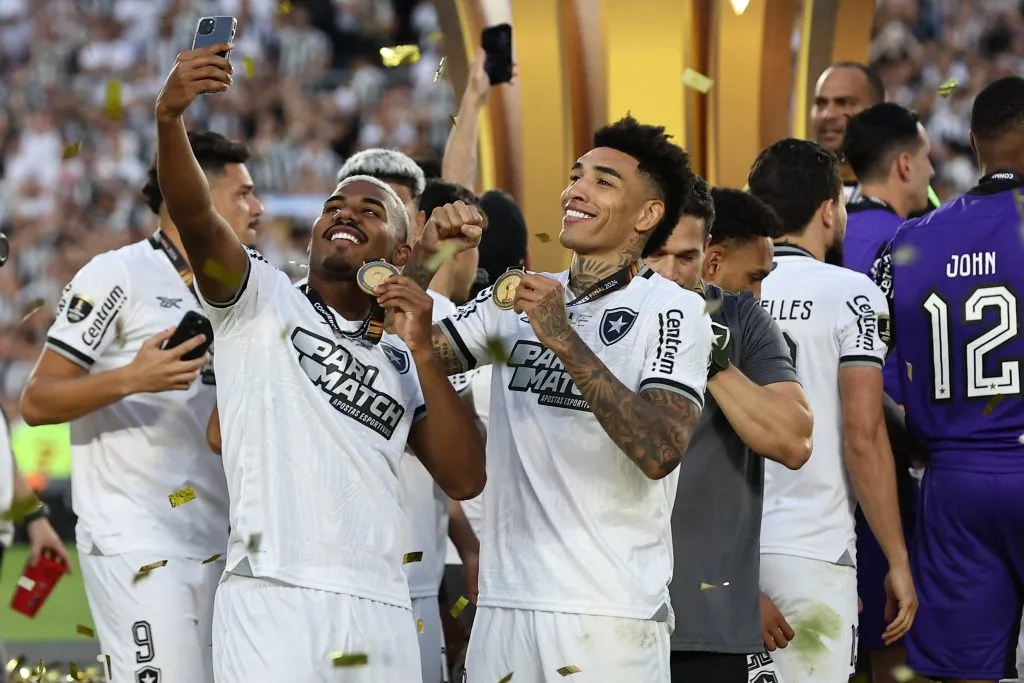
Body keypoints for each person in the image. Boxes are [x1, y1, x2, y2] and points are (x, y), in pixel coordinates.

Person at [153, 44, 486, 682]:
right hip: (272, 595)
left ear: (403, 244)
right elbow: (195, 215)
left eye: (370, 211)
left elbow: (465, 476)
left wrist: (419, 346)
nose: (346, 214)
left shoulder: (408, 345)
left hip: (380, 602)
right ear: (311, 236)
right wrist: (170, 120)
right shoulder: (259, 298)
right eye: (333, 208)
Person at [403, 115, 715, 682]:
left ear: (647, 215)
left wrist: (562, 336)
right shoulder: (513, 301)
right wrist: (427, 262)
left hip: (607, 618)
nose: (576, 190)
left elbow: (659, 449)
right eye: (576, 176)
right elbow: (397, 349)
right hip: (504, 607)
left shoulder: (674, 311)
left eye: (603, 181)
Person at [19, 130, 263, 683]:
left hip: (225, 536)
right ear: (190, 196)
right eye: (242, 194)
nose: (258, 207)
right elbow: (37, 400)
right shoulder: (119, 275)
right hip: (139, 539)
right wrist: (134, 377)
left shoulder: (247, 285)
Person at [871, 75, 1024, 683]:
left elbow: (861, 382)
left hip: (955, 481)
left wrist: (919, 442)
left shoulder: (908, 241)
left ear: (973, 139)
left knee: (959, 677)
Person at [748, 139, 917, 683]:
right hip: (811, 549)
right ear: (828, 210)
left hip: (723, 555)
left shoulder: (715, 292)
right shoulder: (852, 292)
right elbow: (864, 436)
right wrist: (896, 558)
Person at [647, 181, 812, 683]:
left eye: (687, 257)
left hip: (707, 622)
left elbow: (793, 440)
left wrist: (701, 345)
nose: (671, 275)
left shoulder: (741, 320)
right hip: (603, 613)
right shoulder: (581, 318)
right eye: (657, 256)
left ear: (707, 254)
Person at [841, 102, 934, 683]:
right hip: (890, 471)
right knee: (896, 647)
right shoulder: (915, 240)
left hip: (814, 480)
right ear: (904, 164)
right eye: (925, 161)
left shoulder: (824, 234)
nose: (930, 174)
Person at [338, 149, 478, 304]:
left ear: (419, 224)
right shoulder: (307, 307)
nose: (381, 227)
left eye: (396, 210)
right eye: (368, 211)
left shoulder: (438, 314)